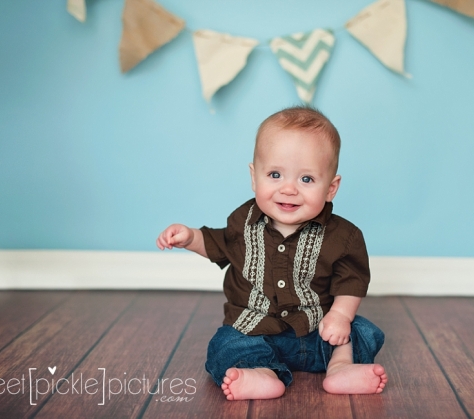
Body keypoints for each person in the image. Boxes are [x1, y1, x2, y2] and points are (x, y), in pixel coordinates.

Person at [156, 106, 387, 400]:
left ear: (331, 188)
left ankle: (341, 367)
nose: (288, 189)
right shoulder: (243, 221)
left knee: (362, 331)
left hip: (319, 335)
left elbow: (351, 281)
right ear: (254, 178)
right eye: (275, 175)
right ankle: (261, 372)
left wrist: (340, 316)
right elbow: (218, 244)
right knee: (225, 343)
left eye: (306, 179)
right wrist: (190, 238)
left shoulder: (344, 236)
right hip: (255, 331)